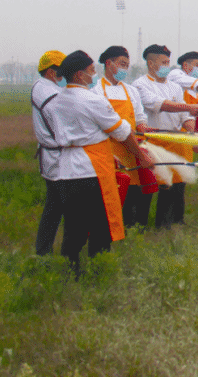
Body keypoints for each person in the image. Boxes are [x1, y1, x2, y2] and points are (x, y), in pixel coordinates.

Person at [51, 51, 153, 272]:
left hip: (66, 169)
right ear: (79, 75)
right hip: (92, 169)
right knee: (101, 222)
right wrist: (141, 156)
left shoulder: (57, 101)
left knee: (74, 225)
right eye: (91, 70)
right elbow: (122, 132)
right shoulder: (92, 99)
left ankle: (70, 270)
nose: (94, 74)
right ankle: (99, 268)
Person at [133, 44, 198, 227]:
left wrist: (191, 127)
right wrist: (189, 107)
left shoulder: (175, 87)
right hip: (153, 142)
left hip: (175, 142)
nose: (167, 66)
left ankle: (168, 223)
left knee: (174, 185)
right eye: (163, 62)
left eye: (168, 62)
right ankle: (142, 225)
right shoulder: (140, 85)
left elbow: (184, 116)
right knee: (150, 186)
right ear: (151, 63)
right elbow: (159, 104)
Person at [93, 46, 153, 228]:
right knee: (114, 192)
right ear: (108, 63)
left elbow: (140, 116)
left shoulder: (131, 91)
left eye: (127, 65)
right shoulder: (96, 91)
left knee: (134, 190)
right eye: (121, 64)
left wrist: (142, 126)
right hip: (111, 150)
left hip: (132, 148)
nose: (124, 69)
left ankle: (133, 227)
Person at [32, 50, 66, 255]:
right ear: (52, 72)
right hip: (56, 155)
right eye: (64, 71)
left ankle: (44, 251)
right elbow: (62, 128)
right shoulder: (49, 93)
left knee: (55, 206)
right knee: (57, 206)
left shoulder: (45, 87)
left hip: (55, 155)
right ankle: (46, 251)